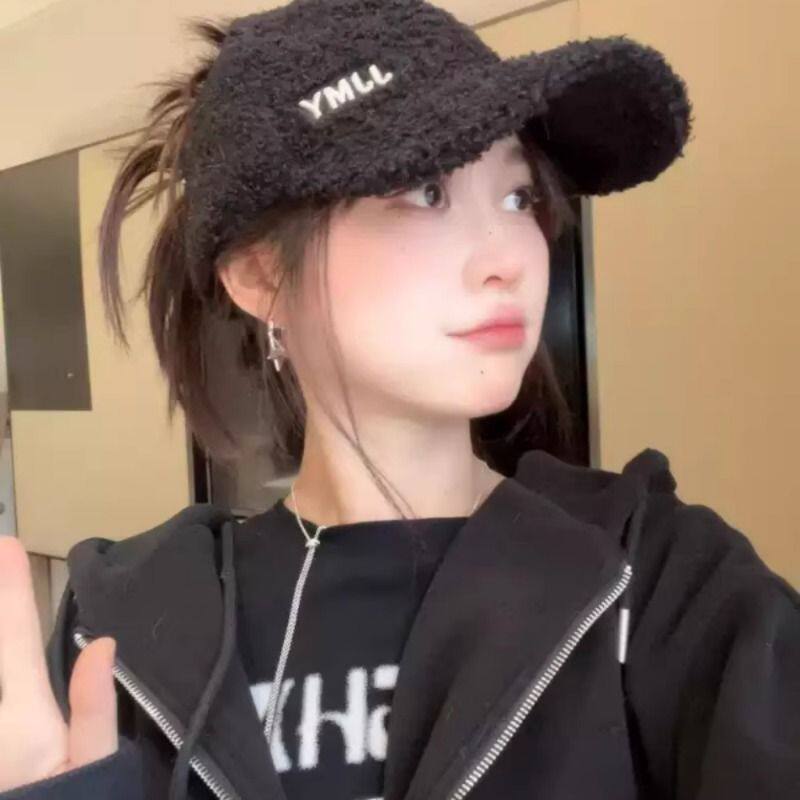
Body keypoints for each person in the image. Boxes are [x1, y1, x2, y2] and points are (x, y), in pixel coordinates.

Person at [1, 1, 798, 799]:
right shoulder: (124, 631)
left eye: (519, 197)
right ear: (260, 274)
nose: (510, 259)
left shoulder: (658, 582)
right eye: (425, 190)